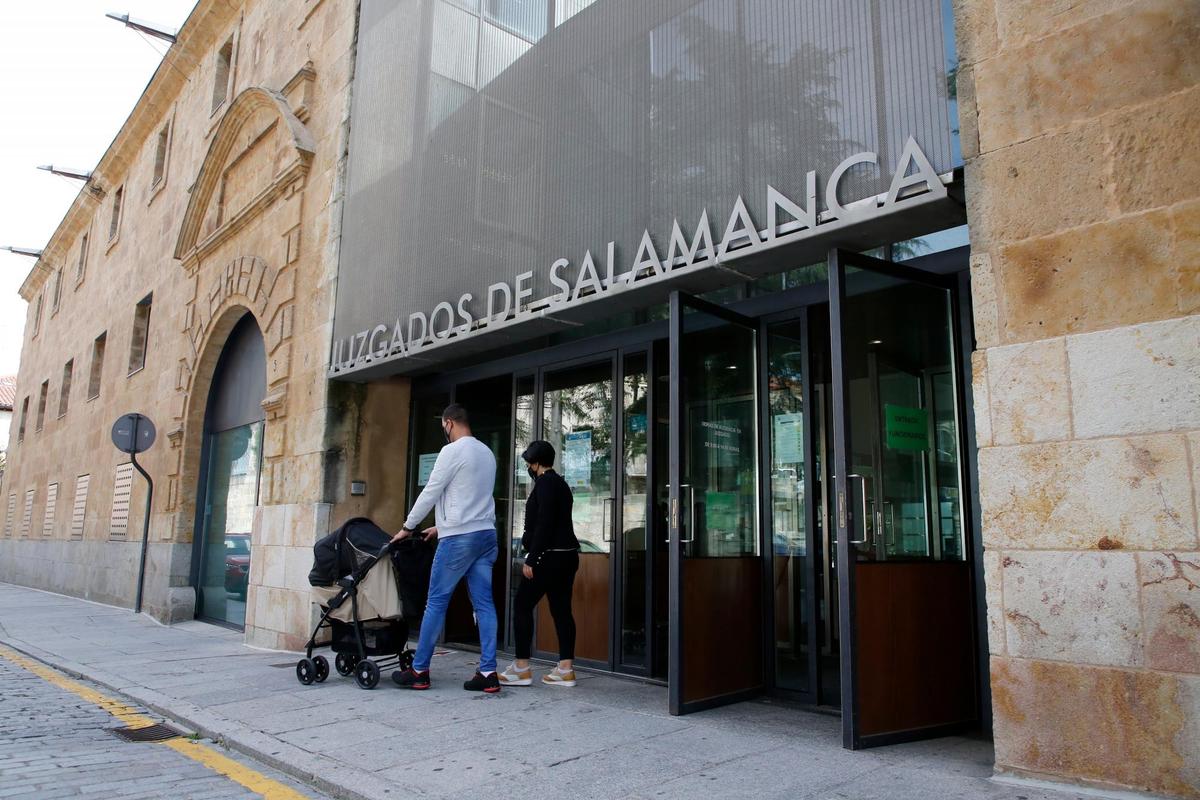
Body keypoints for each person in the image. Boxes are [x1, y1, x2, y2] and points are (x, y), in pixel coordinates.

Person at [391, 404, 501, 693]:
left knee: (436, 602)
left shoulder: (452, 452)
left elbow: (432, 491)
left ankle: (419, 670)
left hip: (460, 539)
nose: (445, 432)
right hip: (486, 535)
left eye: (444, 427)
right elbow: (472, 497)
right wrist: (440, 526)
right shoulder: (486, 453)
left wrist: (408, 526)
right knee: (485, 604)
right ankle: (489, 672)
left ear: (449, 423)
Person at [498, 440, 580, 688]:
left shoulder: (544, 485)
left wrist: (532, 558)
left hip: (548, 557)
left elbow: (544, 523)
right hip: (567, 556)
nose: (527, 467)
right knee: (562, 610)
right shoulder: (562, 484)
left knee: (522, 604)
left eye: (528, 463)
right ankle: (565, 668)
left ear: (535, 463)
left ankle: (522, 667)